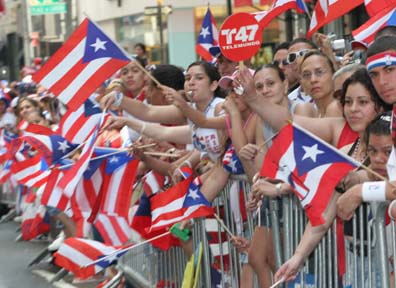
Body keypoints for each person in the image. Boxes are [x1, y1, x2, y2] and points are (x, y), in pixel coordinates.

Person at [249, 68, 390, 283]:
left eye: (363, 102)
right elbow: (323, 215)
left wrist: (358, 185)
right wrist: (297, 257)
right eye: (348, 101)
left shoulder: (390, 142)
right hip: (357, 264)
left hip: (387, 260)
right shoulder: (345, 152)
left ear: (379, 105)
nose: (353, 109)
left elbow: (370, 178)